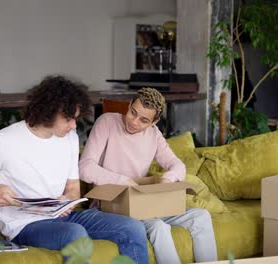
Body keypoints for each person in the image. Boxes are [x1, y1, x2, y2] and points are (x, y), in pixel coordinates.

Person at [0, 75, 148, 263]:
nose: (74, 125)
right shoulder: (4, 140)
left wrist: (68, 200)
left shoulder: (70, 138)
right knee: (75, 233)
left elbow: (73, 188)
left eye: (75, 118)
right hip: (25, 226)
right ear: (48, 111)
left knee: (133, 228)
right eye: (68, 119)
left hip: (62, 217)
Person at [79, 87, 218, 263]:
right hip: (111, 207)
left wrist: (168, 179)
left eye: (144, 120)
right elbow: (84, 167)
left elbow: (178, 166)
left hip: (144, 205)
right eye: (132, 112)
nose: (134, 122)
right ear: (129, 105)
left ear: (154, 122)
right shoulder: (107, 122)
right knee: (159, 227)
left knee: (201, 217)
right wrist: (124, 181)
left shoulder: (154, 135)